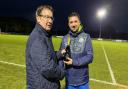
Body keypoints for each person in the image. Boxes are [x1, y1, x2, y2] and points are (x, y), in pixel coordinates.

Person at [26, 5, 65, 89]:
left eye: (51, 18)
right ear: (38, 19)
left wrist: (60, 53)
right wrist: (62, 72)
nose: (50, 21)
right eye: (47, 17)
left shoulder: (44, 35)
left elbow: (48, 55)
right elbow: (48, 69)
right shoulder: (38, 38)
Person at [59, 12, 93, 89]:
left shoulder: (86, 37)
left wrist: (74, 62)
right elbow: (61, 56)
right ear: (68, 24)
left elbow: (90, 57)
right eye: (71, 22)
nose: (73, 24)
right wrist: (61, 71)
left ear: (79, 22)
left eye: (75, 21)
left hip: (83, 81)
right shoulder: (65, 38)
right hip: (69, 81)